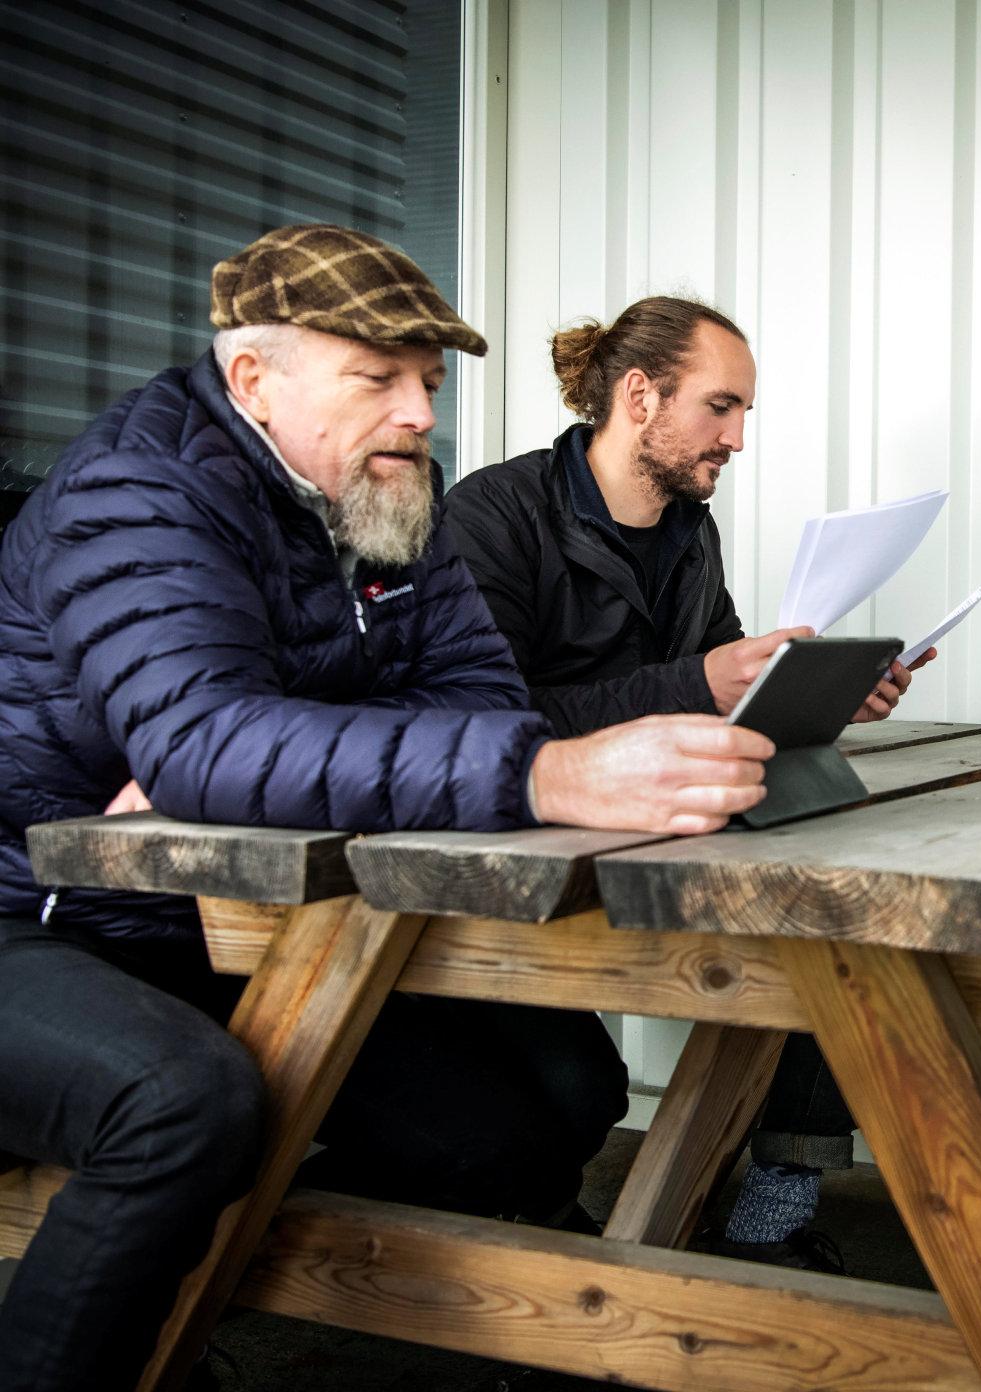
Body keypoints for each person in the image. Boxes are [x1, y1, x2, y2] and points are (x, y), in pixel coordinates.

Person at [0, 225, 774, 1392]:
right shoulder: (136, 492)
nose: (418, 410)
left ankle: (257, 1317)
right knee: (183, 1106)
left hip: (223, 915)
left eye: (427, 380)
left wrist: (262, 750)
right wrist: (544, 774)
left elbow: (476, 693)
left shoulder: (387, 492)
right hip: (47, 913)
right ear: (253, 379)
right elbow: (213, 740)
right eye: (378, 377)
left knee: (556, 1099)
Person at [443, 295, 929, 1273]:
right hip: (515, 844)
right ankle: (531, 1238)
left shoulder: (687, 529)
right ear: (638, 395)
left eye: (745, 412)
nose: (739, 438)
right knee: (573, 1091)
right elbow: (481, 720)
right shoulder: (491, 517)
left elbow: (723, 679)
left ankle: (769, 1212)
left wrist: (819, 693)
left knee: (835, 885)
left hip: (660, 826)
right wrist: (699, 683)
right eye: (722, 407)